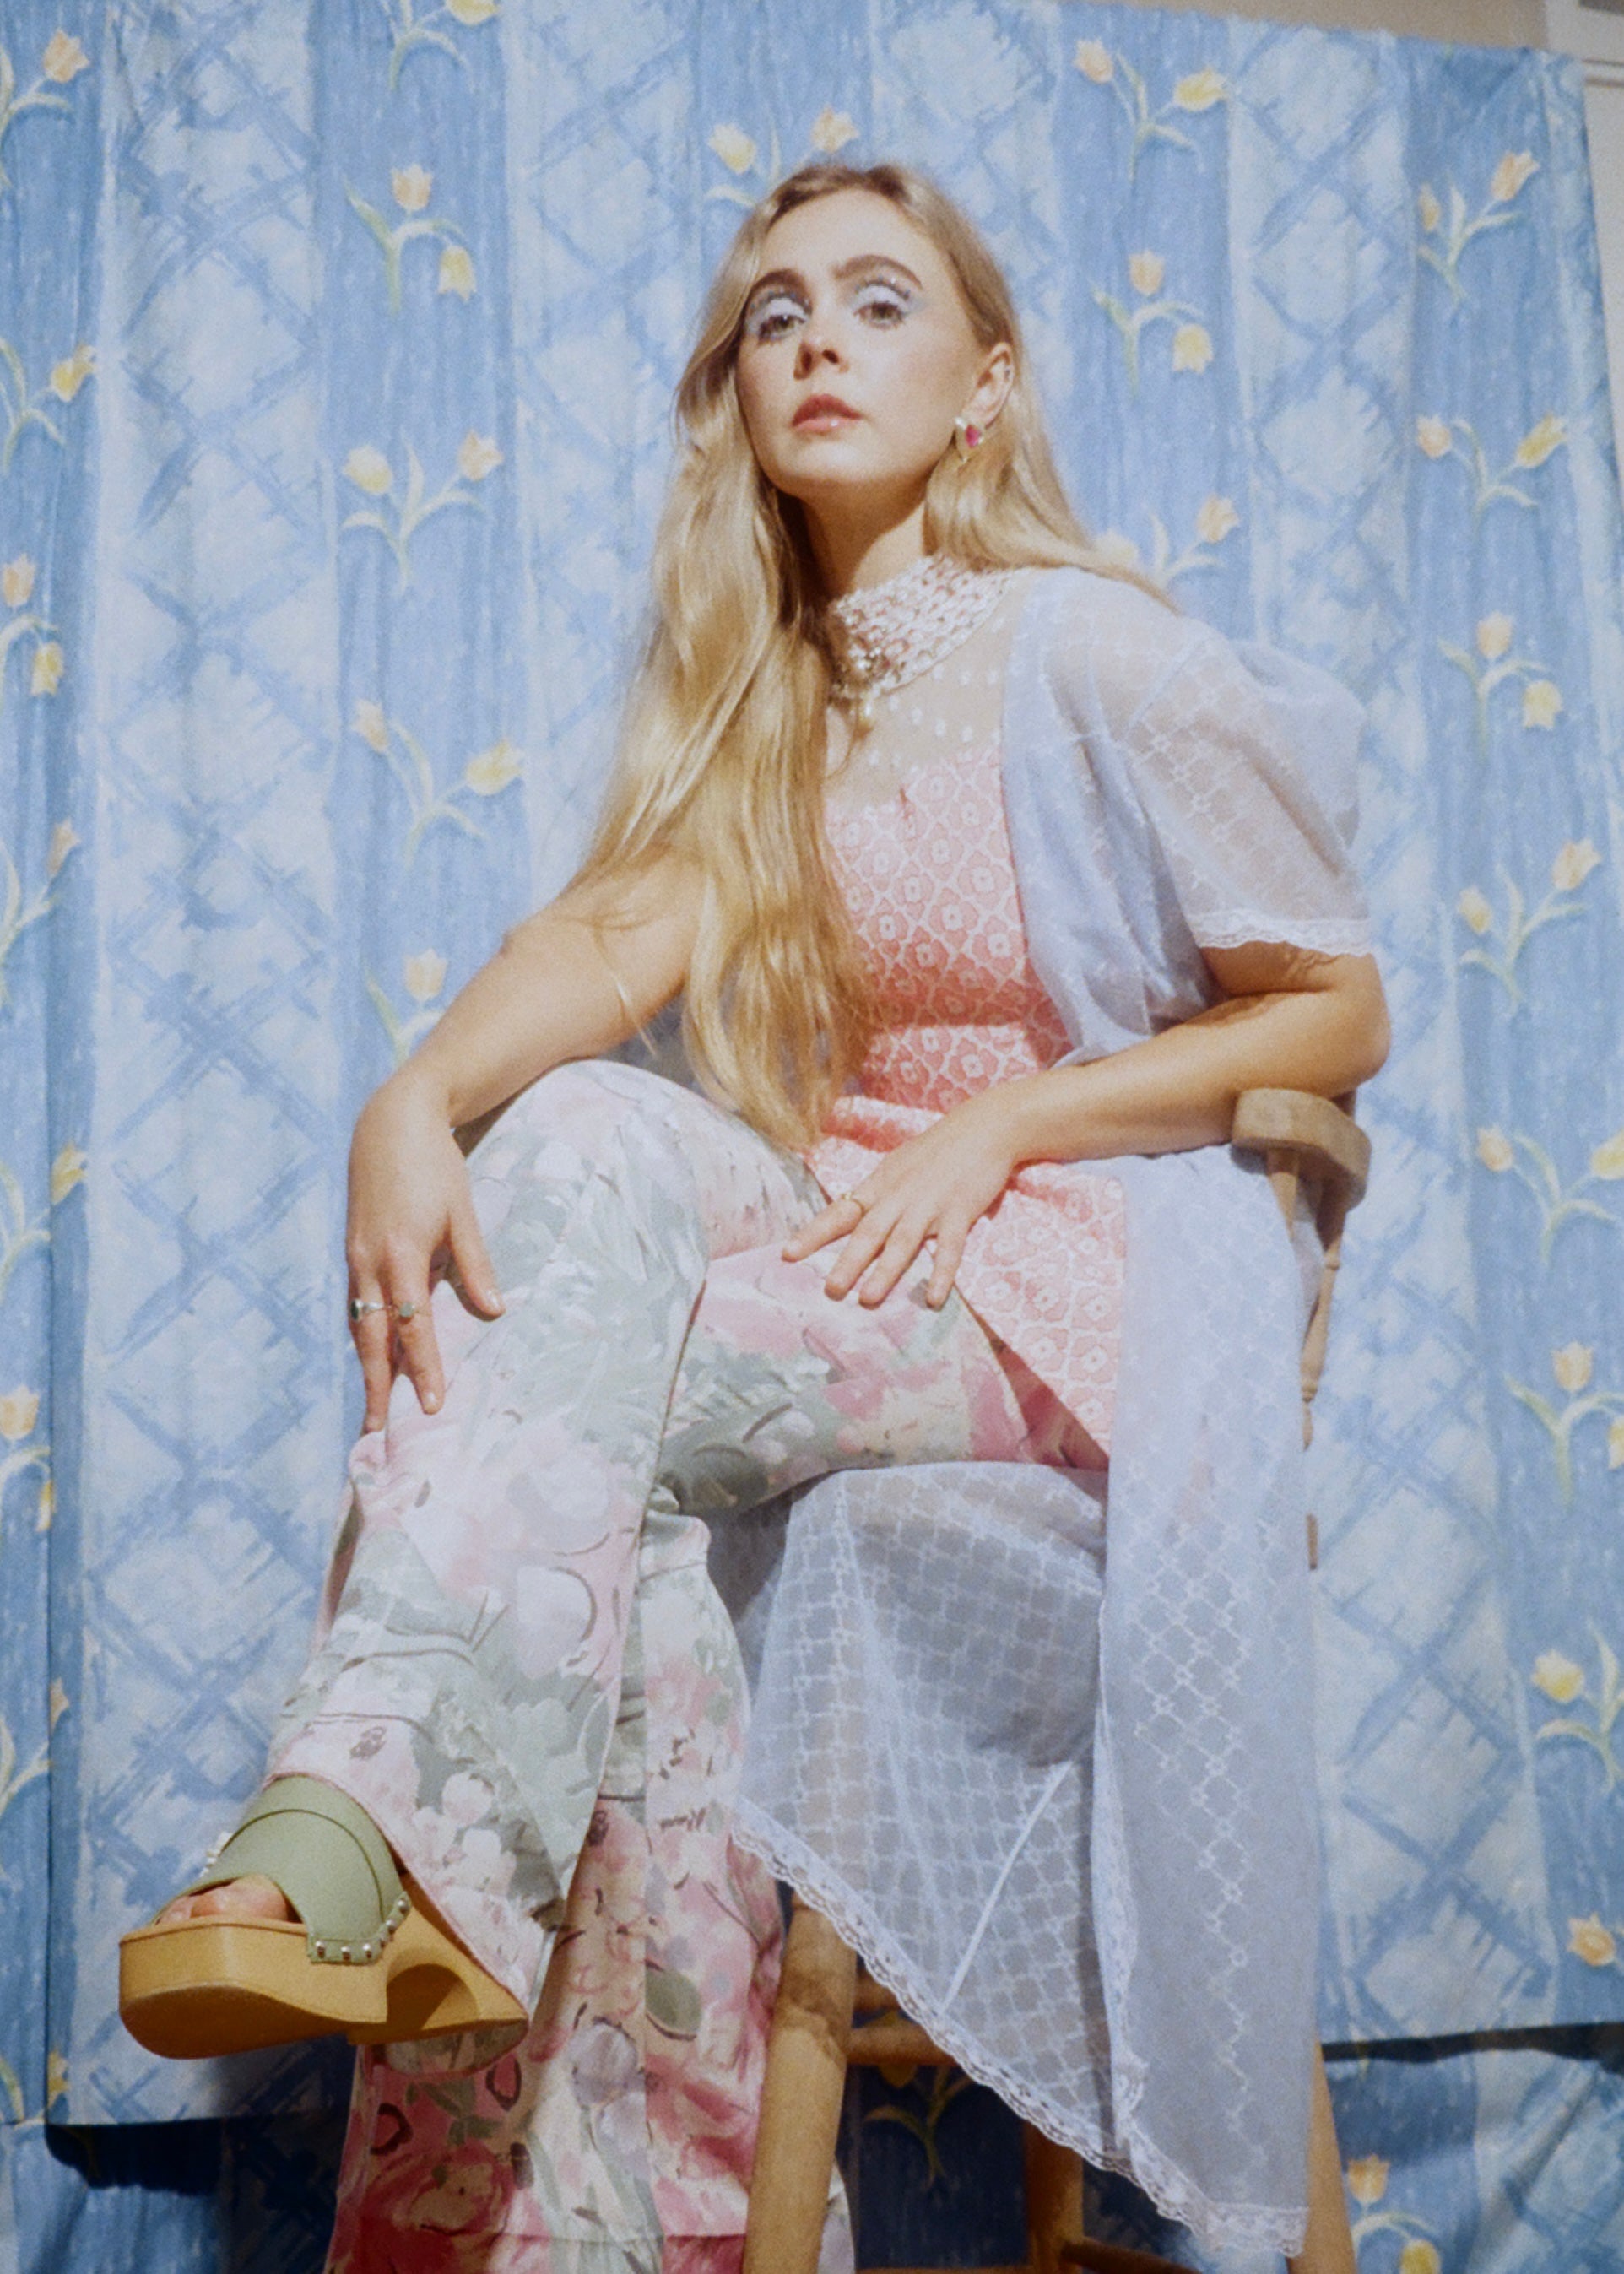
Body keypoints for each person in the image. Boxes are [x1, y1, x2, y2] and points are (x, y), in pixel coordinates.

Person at [119, 160, 1388, 2271]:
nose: (813, 336)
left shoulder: (1101, 652)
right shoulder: (776, 694)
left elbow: (1333, 1005)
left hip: (1061, 1292)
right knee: (579, 1162)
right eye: (774, 310)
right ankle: (410, 1865)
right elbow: (616, 932)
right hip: (844, 1252)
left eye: (875, 303)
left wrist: (1018, 1128)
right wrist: (408, 1096)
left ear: (982, 384)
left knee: (568, 1401)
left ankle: (385, 1849)